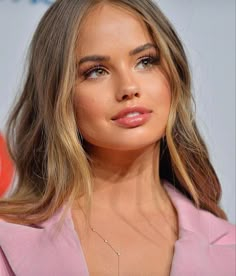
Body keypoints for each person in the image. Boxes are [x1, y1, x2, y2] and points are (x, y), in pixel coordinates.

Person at [0, 0, 235, 275]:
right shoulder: (8, 238)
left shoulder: (227, 249)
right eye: (96, 71)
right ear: (58, 94)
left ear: (175, 73)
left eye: (145, 61)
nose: (128, 87)